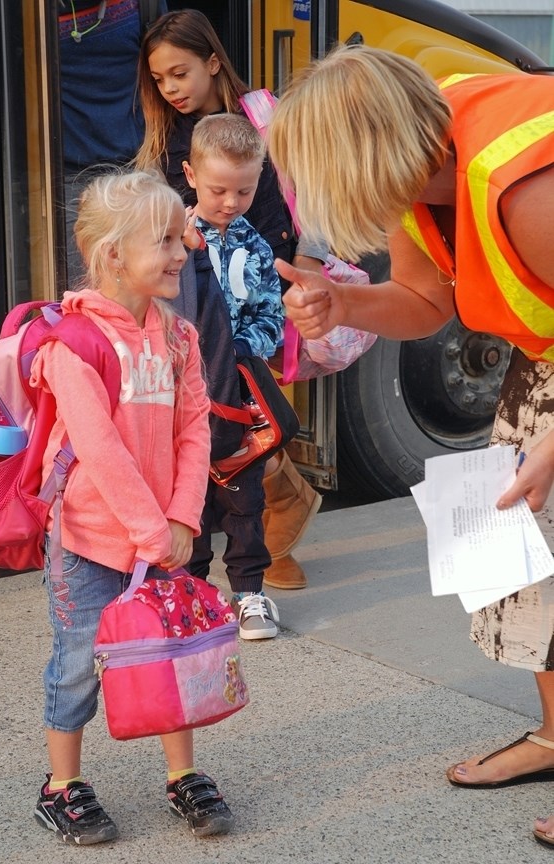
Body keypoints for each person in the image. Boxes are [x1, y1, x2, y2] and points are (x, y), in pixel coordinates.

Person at [265, 43, 554, 847]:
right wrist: (342, 303)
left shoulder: (525, 192)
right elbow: (425, 303)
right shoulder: (422, 164)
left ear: (365, 154)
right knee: (523, 560)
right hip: (546, 363)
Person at [29, 170, 234, 845]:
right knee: (79, 660)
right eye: (165, 240)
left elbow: (194, 425)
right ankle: (62, 787)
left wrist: (182, 519)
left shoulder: (176, 338)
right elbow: (101, 452)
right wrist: (155, 533)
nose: (183, 251)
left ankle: (182, 775)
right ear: (114, 253)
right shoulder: (73, 342)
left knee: (169, 652)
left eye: (181, 237)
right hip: (90, 539)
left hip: (161, 536)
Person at [136, 7, 324, 590]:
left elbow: (307, 195)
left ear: (214, 62)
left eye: (181, 73)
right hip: (194, 297)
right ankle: (279, 519)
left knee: (247, 414)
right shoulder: (168, 137)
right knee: (222, 414)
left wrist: (304, 266)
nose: (171, 89)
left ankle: (272, 533)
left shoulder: (260, 121)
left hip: (255, 285)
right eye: (160, 79)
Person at [180, 112, 283, 639]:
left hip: (236, 394)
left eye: (243, 191)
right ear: (190, 175)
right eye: (219, 189)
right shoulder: (168, 239)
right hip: (178, 397)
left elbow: (272, 319)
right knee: (187, 497)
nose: (230, 202)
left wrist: (245, 348)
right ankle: (189, 591)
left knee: (244, 496)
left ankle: (250, 593)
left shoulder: (258, 249)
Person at [58, 0, 146, 284]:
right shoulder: (32, 12)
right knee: (81, 289)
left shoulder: (142, 5)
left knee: (136, 284)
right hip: (64, 176)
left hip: (135, 168)